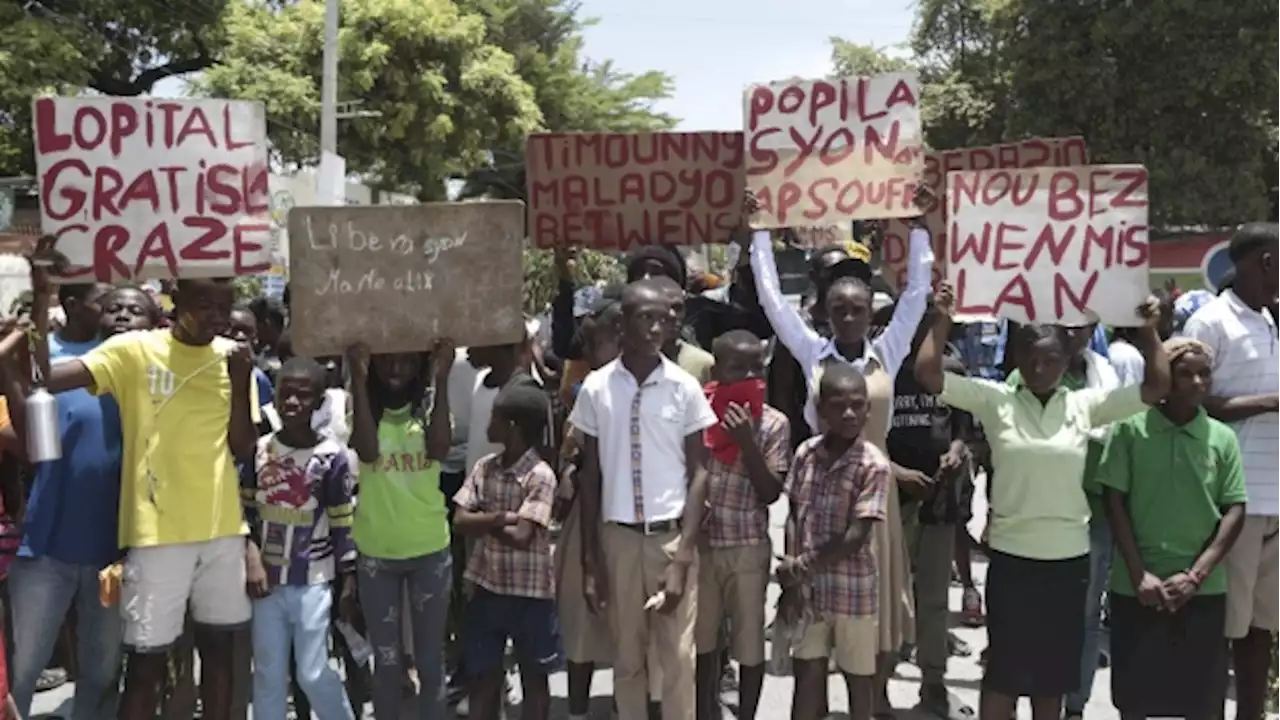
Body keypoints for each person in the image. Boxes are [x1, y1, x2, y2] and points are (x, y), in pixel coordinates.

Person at [6, 268, 261, 720]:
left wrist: (240, 381)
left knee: (221, 657)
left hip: (222, 531)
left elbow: (242, 447)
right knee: (146, 665)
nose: (218, 318)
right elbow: (42, 374)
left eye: (224, 308)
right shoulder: (134, 350)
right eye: (206, 306)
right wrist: (42, 303)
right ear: (176, 302)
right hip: (157, 534)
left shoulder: (233, 357)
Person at [915, 283, 1168, 720]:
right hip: (1012, 562)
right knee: (1004, 676)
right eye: (1030, 358)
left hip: (1068, 565)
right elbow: (927, 374)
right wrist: (942, 317)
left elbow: (1157, 386)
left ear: (1067, 360)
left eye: (1051, 359)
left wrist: (1147, 330)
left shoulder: (1085, 405)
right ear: (1016, 357)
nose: (1039, 367)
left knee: (1050, 681)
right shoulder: (995, 401)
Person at [751, 223, 933, 713]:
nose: (849, 318)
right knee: (814, 629)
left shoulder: (888, 352)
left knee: (874, 626)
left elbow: (917, 294)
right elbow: (772, 301)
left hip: (874, 497)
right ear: (826, 312)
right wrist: (760, 235)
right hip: (818, 494)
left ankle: (872, 702)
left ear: (871, 309)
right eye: (839, 309)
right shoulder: (813, 353)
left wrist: (919, 229)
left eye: (858, 309)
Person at [569, 278, 718, 720]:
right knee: (627, 659)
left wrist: (684, 556)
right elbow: (590, 477)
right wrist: (591, 561)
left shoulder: (683, 387)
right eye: (645, 318)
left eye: (664, 320)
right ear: (622, 325)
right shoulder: (596, 389)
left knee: (678, 660)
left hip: (669, 539)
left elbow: (700, 473)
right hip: (617, 541)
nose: (657, 328)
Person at [1100, 337, 1246, 720]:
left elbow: (1234, 510)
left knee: (1202, 699)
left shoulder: (1222, 437)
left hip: (1202, 590)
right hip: (1138, 589)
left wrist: (1196, 576)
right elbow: (1115, 502)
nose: (1198, 382)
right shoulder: (1131, 430)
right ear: (1166, 378)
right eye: (1185, 374)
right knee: (1135, 698)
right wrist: (1138, 574)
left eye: (1204, 374)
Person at [3, 277, 127, 720]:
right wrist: (39, 296)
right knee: (20, 671)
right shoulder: (43, 360)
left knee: (102, 669)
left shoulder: (120, 360)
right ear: (72, 304)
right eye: (103, 301)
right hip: (46, 544)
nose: (114, 311)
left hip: (110, 550)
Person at [1181, 222, 1280, 720]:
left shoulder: (1272, 320)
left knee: (1262, 626)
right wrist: (1269, 402)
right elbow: (1188, 400)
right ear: (1264, 261)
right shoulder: (1210, 322)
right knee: (1225, 626)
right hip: (1234, 501)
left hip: (1277, 500)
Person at [1005, 323, 1119, 720]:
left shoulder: (1106, 371)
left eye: (1083, 320)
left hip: (1098, 513)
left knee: (1083, 621)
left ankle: (1075, 706)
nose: (1075, 328)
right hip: (1031, 527)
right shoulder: (1024, 376)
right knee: (1020, 638)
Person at [347, 340, 455, 720]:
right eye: (387, 360)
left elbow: (440, 450)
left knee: (430, 659)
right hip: (377, 551)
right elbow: (368, 452)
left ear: (419, 364)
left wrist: (442, 379)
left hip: (428, 550)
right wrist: (357, 381)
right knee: (387, 660)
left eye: (406, 359)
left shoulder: (428, 410)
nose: (396, 368)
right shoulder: (362, 408)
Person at [776, 364, 890, 720]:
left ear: (868, 409)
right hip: (808, 591)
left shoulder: (873, 464)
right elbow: (795, 514)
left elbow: (857, 535)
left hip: (852, 590)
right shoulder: (805, 454)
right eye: (839, 405)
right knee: (807, 675)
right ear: (820, 409)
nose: (849, 413)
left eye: (858, 404)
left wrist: (803, 566)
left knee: (858, 678)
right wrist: (792, 578)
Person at [247, 357, 357, 720]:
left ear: (319, 401)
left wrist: (348, 579)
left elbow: (342, 521)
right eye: (285, 394)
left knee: (312, 671)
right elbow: (245, 510)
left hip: (312, 580)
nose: (292, 403)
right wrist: (249, 557)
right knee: (267, 673)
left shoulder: (331, 457)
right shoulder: (259, 450)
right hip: (266, 582)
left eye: (302, 396)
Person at [694, 330, 790, 720]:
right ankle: (705, 711)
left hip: (747, 546)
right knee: (702, 643)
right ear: (717, 370)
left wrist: (747, 442)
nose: (751, 376)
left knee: (748, 642)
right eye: (739, 368)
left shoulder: (772, 423)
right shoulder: (697, 412)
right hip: (702, 546)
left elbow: (770, 492)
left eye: (757, 367)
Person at [885, 305, 975, 717]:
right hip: (890, 499)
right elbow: (864, 433)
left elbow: (963, 430)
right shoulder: (884, 366)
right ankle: (880, 682)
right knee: (889, 597)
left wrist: (956, 453)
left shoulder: (952, 368)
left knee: (935, 597)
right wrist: (898, 473)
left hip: (939, 499)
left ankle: (933, 682)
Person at [453, 381, 562, 720]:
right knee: (482, 677)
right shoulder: (485, 465)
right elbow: (458, 520)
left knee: (535, 678)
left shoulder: (541, 476)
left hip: (530, 595)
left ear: (512, 426)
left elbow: (523, 536)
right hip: (487, 587)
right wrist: (503, 517)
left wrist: (483, 520)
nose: (489, 423)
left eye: (495, 417)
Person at [554, 296, 621, 720]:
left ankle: (623, 704)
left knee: (626, 619)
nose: (595, 353)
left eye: (602, 343)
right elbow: (571, 449)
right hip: (588, 510)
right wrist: (566, 472)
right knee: (580, 613)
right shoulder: (587, 390)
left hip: (631, 513)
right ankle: (577, 709)